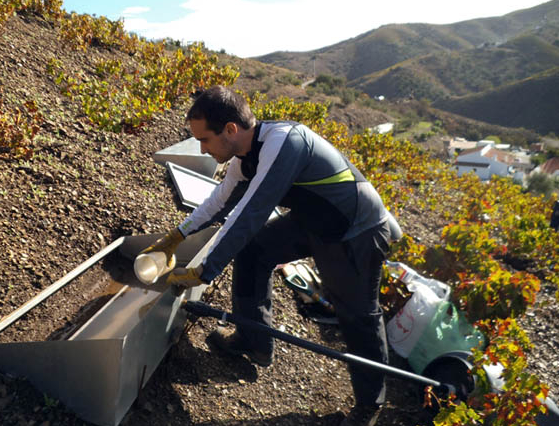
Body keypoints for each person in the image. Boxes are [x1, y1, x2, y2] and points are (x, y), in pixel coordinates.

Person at [144, 86, 393, 426]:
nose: (201, 148)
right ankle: (254, 340)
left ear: (230, 130)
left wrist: (205, 269)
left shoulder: (283, 143)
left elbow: (251, 211)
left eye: (205, 139)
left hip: (354, 229)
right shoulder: (243, 155)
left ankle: (368, 406)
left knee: (358, 316)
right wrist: (175, 237)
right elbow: (221, 200)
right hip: (311, 220)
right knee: (253, 251)